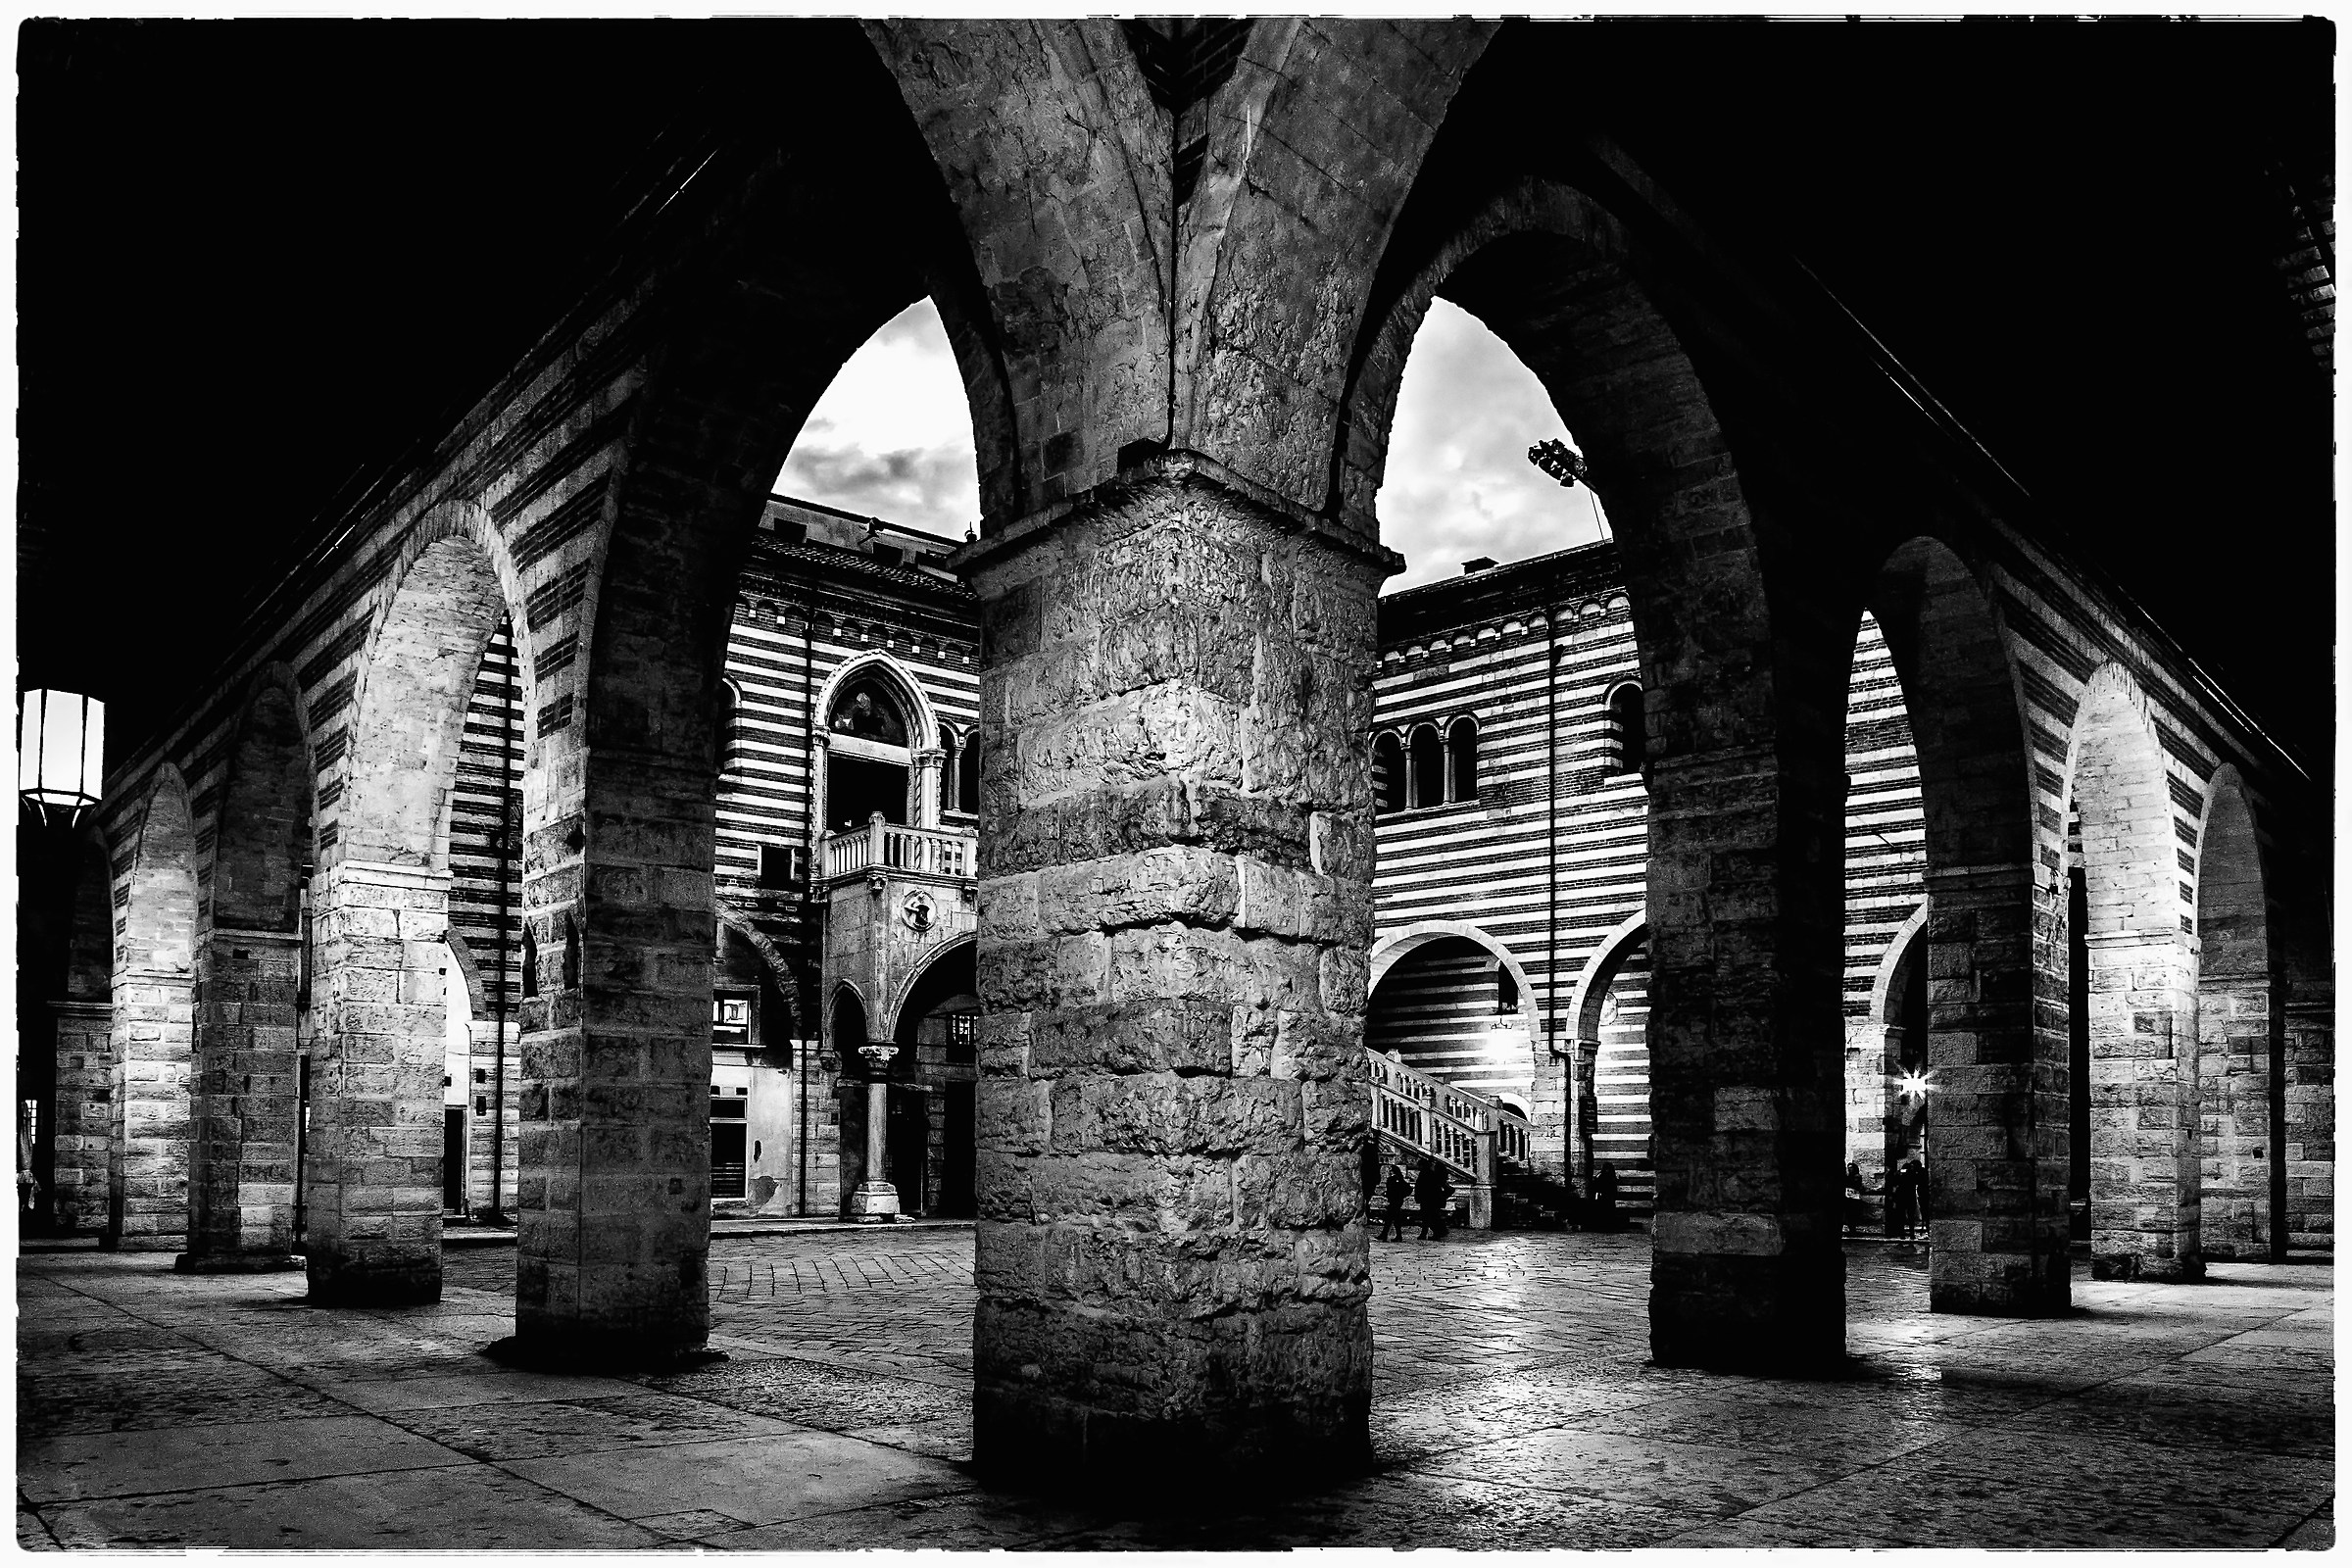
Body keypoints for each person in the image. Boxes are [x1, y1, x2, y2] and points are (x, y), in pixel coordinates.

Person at [1413, 1156, 1450, 1241]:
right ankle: (1426, 1233)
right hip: (1430, 1199)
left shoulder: (1426, 1173)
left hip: (1428, 1199)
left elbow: (1421, 1187)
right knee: (1428, 1217)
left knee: (1429, 1217)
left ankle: (1436, 1233)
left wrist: (1419, 1196)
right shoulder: (1429, 1173)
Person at [1379, 1161, 1412, 1242]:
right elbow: (1408, 1189)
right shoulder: (1400, 1179)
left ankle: (1386, 1235)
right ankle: (1394, 1235)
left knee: (1390, 1219)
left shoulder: (1392, 1179)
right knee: (1393, 1219)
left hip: (1394, 1201)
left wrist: (1388, 1194)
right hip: (1398, 1201)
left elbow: (1391, 1190)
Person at [1844, 1160, 1879, 1236]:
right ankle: (1851, 1230)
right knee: (1849, 1215)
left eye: (1851, 1168)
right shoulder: (1849, 1176)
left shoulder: (1856, 1176)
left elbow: (1855, 1185)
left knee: (1853, 1214)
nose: (1850, 1169)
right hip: (1849, 1197)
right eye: (1848, 1168)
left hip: (1854, 1198)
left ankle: (1853, 1230)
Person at [1592, 1160, 1621, 1232]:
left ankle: (1607, 1225)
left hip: (1607, 1196)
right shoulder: (1606, 1176)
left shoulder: (1604, 1175)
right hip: (1604, 1196)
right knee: (1604, 1211)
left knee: (1607, 1211)